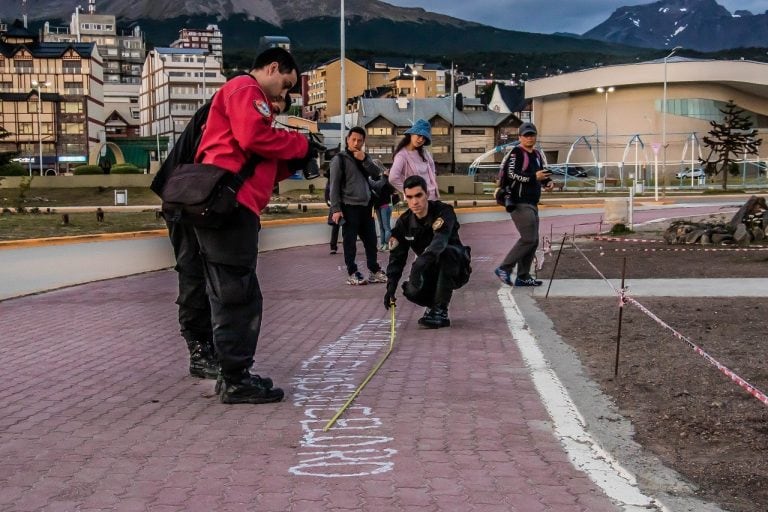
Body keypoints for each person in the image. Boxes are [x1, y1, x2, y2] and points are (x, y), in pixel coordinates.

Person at [188, 47, 320, 404]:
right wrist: (299, 143)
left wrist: (298, 158)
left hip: (228, 205)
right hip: (232, 208)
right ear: (274, 67)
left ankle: (232, 372)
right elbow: (252, 138)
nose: (284, 94)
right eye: (286, 84)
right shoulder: (246, 89)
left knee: (230, 291)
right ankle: (235, 379)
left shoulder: (244, 97)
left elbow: (259, 159)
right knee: (239, 294)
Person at [383, 175, 471, 328]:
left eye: (418, 195)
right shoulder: (404, 222)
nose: (415, 202)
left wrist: (419, 264)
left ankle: (440, 311)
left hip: (455, 267)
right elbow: (397, 258)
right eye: (409, 197)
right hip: (427, 270)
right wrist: (390, 288)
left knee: (446, 252)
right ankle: (434, 305)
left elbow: (440, 242)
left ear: (427, 194)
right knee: (410, 291)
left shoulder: (444, 212)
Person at [493, 122, 554, 287]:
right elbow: (512, 174)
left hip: (532, 202)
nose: (529, 138)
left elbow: (541, 174)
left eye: (532, 135)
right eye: (526, 135)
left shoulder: (537, 154)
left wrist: (547, 182)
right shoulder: (516, 153)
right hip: (519, 202)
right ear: (520, 137)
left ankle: (523, 276)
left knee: (533, 241)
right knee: (528, 238)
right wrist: (534, 177)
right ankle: (505, 268)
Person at [328, 127, 388, 285]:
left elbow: (376, 174)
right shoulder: (339, 160)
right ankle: (352, 272)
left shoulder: (364, 157)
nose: (356, 143)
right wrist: (336, 209)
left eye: (360, 140)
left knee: (371, 241)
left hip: (366, 206)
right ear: (347, 139)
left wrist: (365, 160)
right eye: (353, 139)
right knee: (350, 242)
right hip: (349, 207)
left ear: (363, 142)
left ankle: (374, 270)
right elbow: (333, 187)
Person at [388, 119, 439, 200]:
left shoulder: (425, 153)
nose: (421, 139)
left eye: (424, 138)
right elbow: (393, 178)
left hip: (432, 197)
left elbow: (432, 170)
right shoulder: (402, 155)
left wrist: (432, 186)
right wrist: (409, 193)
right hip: (418, 200)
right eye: (419, 135)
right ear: (411, 134)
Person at [370, 165, 397, 252]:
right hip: (382, 206)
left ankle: (385, 244)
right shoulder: (385, 181)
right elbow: (393, 192)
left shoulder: (381, 181)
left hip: (383, 206)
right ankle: (383, 244)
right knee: (383, 227)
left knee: (385, 227)